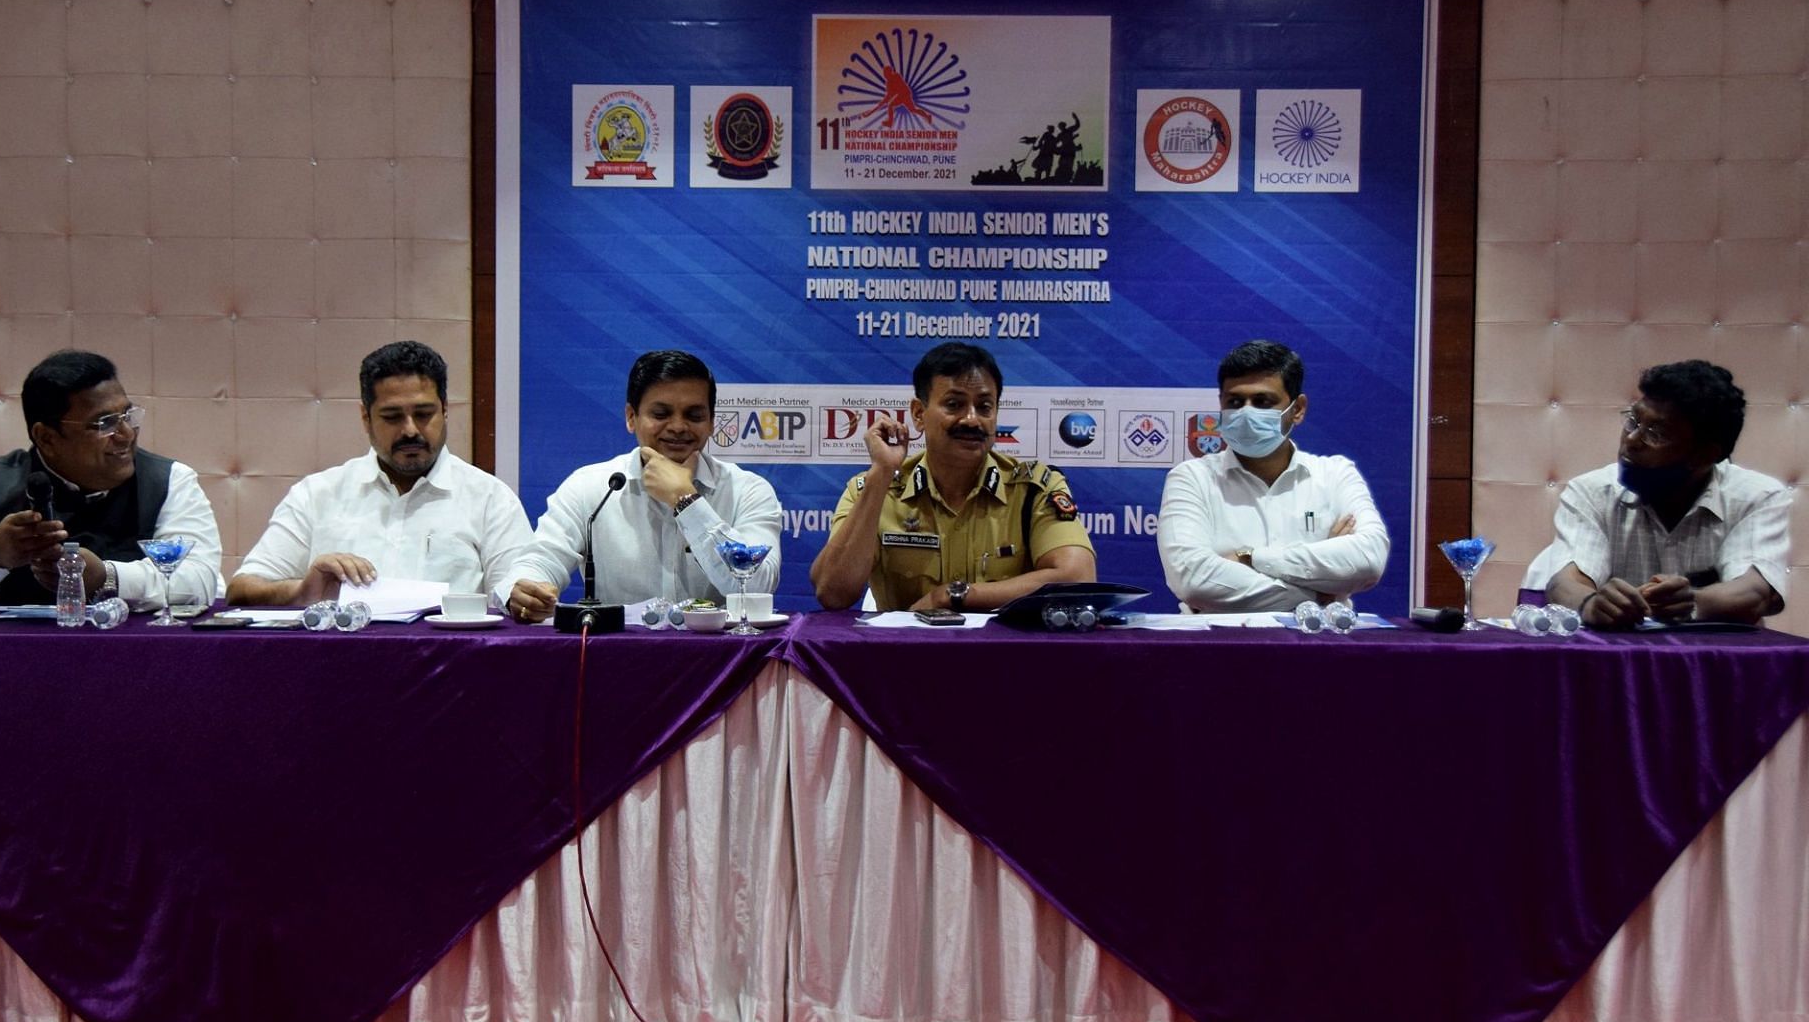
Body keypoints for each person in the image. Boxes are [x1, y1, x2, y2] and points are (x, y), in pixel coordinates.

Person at [0, 350, 223, 612]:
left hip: (136, 666)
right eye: (104, 423)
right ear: (47, 438)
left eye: (128, 416)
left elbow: (200, 582)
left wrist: (108, 577)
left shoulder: (169, 481)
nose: (125, 435)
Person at [227, 341, 536, 607]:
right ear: (366, 417)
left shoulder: (489, 499)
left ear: (445, 410)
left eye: (424, 414)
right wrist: (300, 591)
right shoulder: (317, 495)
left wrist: (524, 601)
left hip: (450, 670)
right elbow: (241, 590)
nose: (411, 430)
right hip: (336, 668)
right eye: (392, 416)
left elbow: (516, 598)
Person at [811, 342, 1096, 612]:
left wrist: (953, 595)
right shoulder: (877, 488)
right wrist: (882, 473)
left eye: (985, 407)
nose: (972, 419)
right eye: (954, 404)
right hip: (904, 658)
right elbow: (832, 592)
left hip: (1007, 660)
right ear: (919, 414)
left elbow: (1078, 579)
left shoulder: (1035, 488)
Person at [509, 350, 782, 622]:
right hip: (617, 655)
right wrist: (526, 591)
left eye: (694, 415)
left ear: (712, 422)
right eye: (661, 414)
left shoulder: (748, 490)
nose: (677, 426)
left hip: (724, 660)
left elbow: (757, 587)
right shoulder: (590, 487)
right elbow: (541, 560)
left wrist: (685, 500)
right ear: (631, 417)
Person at [1524, 360, 1789, 629]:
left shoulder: (1757, 496)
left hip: (1717, 662)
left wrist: (1694, 603)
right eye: (1633, 421)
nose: (1631, 440)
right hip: (1616, 661)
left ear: (1706, 454)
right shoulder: (1592, 492)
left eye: (1656, 433)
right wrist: (1590, 603)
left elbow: (1756, 592)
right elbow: (1564, 582)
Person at [1156, 339, 1389, 613]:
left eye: (1263, 401)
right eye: (1234, 401)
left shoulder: (1336, 474)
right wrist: (1318, 591)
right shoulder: (1191, 478)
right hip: (1220, 643)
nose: (1246, 412)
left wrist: (1251, 558)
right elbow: (1193, 580)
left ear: (1298, 409)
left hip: (1319, 644)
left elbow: (1368, 559)